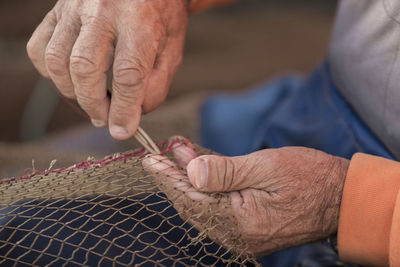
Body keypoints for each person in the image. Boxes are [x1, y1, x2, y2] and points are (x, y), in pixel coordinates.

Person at [26, 0, 400, 266]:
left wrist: (348, 204)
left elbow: (353, 202)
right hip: (310, 106)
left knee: (26, 234)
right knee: (27, 189)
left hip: (373, 221)